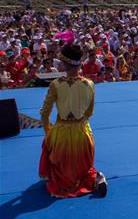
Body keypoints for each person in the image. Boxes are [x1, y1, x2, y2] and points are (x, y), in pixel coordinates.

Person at [38, 43, 107, 198]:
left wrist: (48, 132)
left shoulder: (56, 85)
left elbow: (45, 113)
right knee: (84, 169)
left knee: (56, 166)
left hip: (62, 134)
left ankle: (69, 183)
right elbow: (89, 112)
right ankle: (95, 180)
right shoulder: (89, 84)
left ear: (63, 63)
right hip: (83, 133)